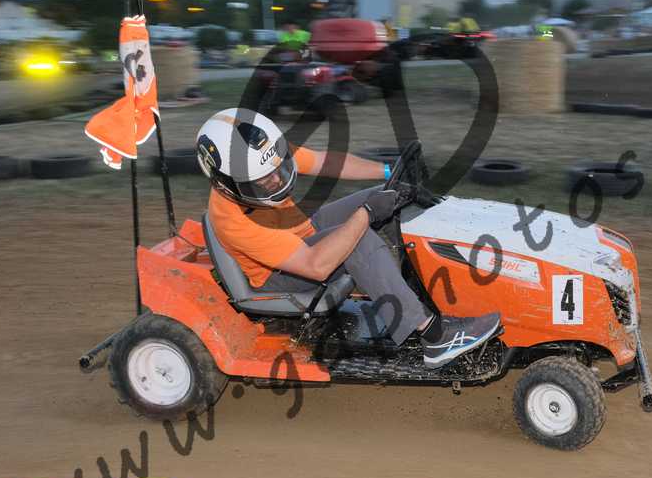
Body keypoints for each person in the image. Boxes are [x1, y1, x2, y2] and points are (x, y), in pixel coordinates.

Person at [196, 109, 501, 368]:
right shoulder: (231, 219)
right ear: (226, 184)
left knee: (391, 196)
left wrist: (388, 172)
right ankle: (434, 338)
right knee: (358, 237)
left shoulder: (262, 156)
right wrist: (366, 214)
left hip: (300, 231)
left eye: (278, 168)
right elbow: (315, 266)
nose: (276, 179)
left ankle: (429, 294)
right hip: (280, 274)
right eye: (263, 181)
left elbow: (326, 162)